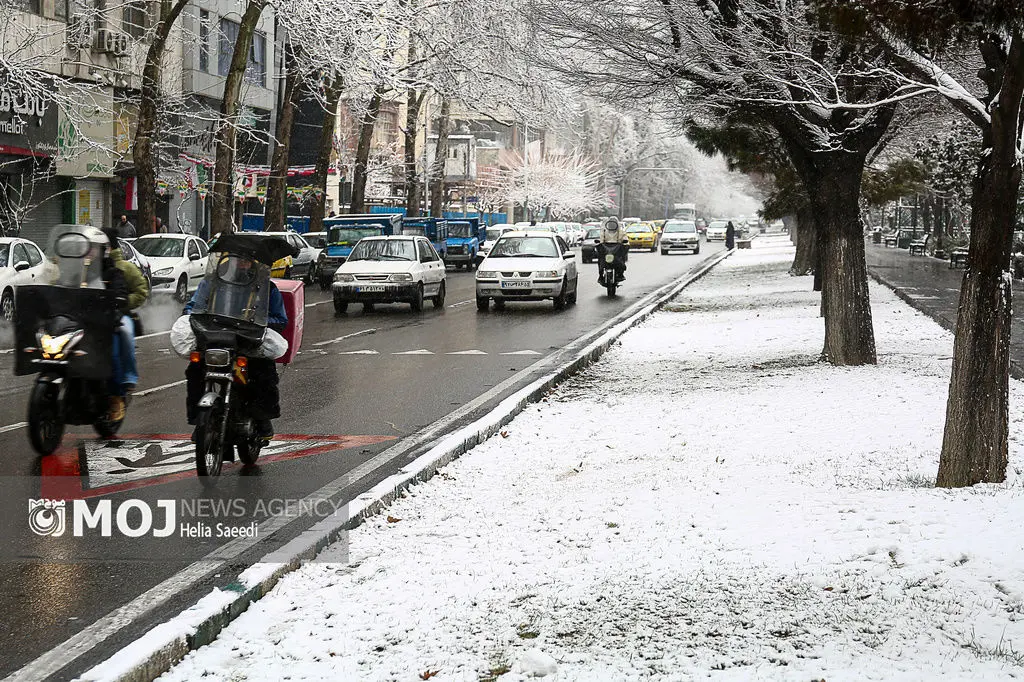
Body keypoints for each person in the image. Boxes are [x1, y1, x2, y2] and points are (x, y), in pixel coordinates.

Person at [182, 260, 287, 440]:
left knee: (263, 371)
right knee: (195, 369)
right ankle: (199, 419)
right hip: (216, 338)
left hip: (248, 342)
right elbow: (194, 305)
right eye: (238, 259)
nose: (242, 263)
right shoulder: (211, 283)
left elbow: (280, 319)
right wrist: (190, 314)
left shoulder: (267, 288)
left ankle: (262, 419)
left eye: (246, 260)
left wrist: (257, 320)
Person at [103, 228, 149, 400]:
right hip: (95, 315)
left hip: (120, 315)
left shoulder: (126, 268)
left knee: (126, 332)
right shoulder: (90, 266)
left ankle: (129, 376)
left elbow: (141, 291)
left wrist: (122, 303)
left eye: (106, 245)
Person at [596, 215, 627, 283]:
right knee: (601, 261)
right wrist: (600, 243)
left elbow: (624, 238)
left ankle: (620, 274)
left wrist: (624, 242)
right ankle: (601, 276)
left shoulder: (620, 231)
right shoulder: (604, 231)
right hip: (606, 250)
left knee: (621, 260)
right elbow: (601, 239)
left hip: (617, 251)